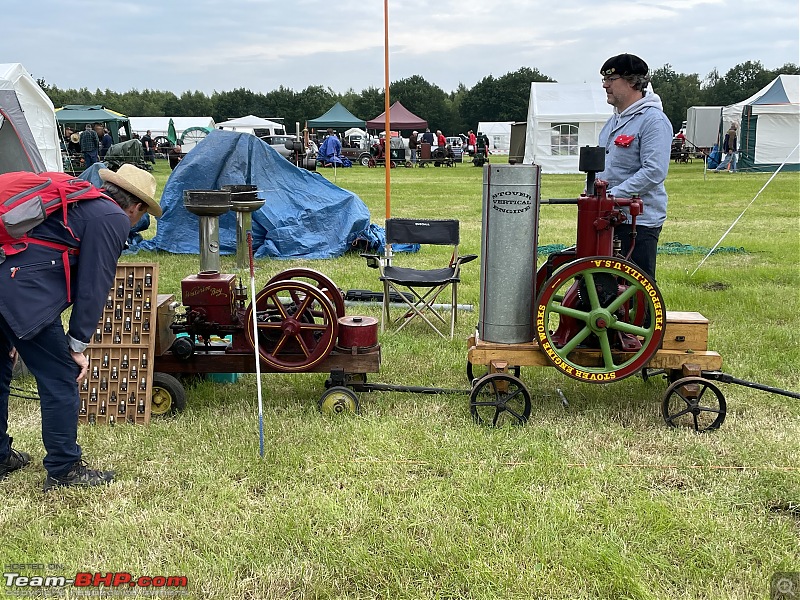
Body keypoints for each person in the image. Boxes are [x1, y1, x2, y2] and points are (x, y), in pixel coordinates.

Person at [0, 164, 161, 491]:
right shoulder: (111, 217)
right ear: (137, 206)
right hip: (22, 293)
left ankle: (1, 457)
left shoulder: (79, 203)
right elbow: (94, 284)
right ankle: (64, 469)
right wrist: (77, 345)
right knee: (60, 378)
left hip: (6, 282)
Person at [596, 53, 672, 282]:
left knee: (637, 290)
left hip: (637, 223)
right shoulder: (614, 121)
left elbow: (654, 171)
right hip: (610, 217)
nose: (605, 85)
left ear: (632, 81)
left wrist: (611, 196)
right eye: (604, 80)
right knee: (606, 286)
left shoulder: (653, 121)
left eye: (611, 79)